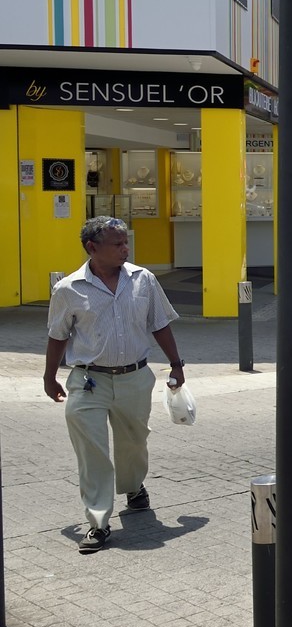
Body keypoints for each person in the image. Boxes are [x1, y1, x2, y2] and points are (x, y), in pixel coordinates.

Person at [43, 216, 187, 554]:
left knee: (133, 443)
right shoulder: (69, 289)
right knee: (92, 453)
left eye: (126, 242)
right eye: (118, 243)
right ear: (92, 248)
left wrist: (177, 365)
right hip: (87, 380)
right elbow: (56, 336)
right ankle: (98, 523)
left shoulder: (143, 279)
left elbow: (160, 324)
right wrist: (50, 377)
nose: (126, 248)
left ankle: (133, 487)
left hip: (135, 377)